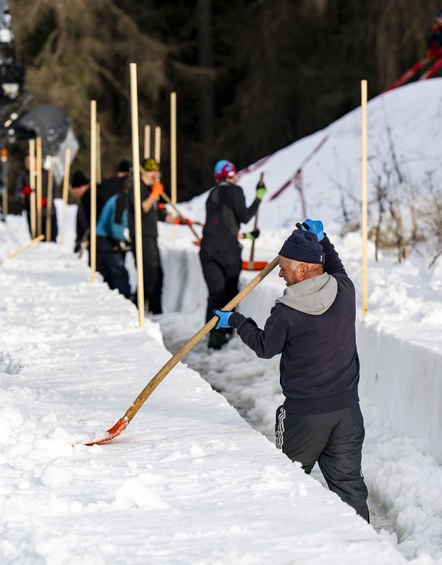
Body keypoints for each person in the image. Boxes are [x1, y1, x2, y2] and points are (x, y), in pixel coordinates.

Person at [213, 220, 371, 523]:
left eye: (284, 267)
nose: (280, 273)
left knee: (286, 481)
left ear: (302, 270)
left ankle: (287, 539)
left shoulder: (287, 312)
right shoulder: (344, 290)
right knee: (348, 486)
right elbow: (335, 265)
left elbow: (265, 346)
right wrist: (322, 240)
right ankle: (363, 543)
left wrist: (235, 321)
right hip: (347, 412)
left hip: (304, 417)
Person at [199, 159, 264, 349]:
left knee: (215, 294)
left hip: (207, 249)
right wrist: (258, 198)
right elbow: (244, 217)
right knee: (229, 293)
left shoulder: (211, 194)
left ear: (217, 178)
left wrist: (246, 235)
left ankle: (213, 336)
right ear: (232, 175)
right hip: (228, 251)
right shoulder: (236, 191)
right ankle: (225, 332)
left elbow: (221, 226)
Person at [129, 157, 174, 314]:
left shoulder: (148, 189)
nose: (155, 175)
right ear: (144, 173)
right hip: (141, 236)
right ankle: (138, 308)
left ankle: (155, 310)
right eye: (152, 172)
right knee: (148, 274)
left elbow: (155, 213)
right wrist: (154, 194)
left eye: (157, 172)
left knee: (156, 275)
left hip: (150, 236)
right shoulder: (137, 188)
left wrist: (173, 219)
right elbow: (142, 208)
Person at [14, 152, 58, 242]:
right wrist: (24, 192)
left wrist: (46, 201)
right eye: (27, 161)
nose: (29, 163)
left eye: (31, 161)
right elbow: (17, 196)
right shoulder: (23, 176)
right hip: (33, 214)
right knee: (36, 240)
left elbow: (55, 192)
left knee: (50, 238)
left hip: (48, 213)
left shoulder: (47, 174)